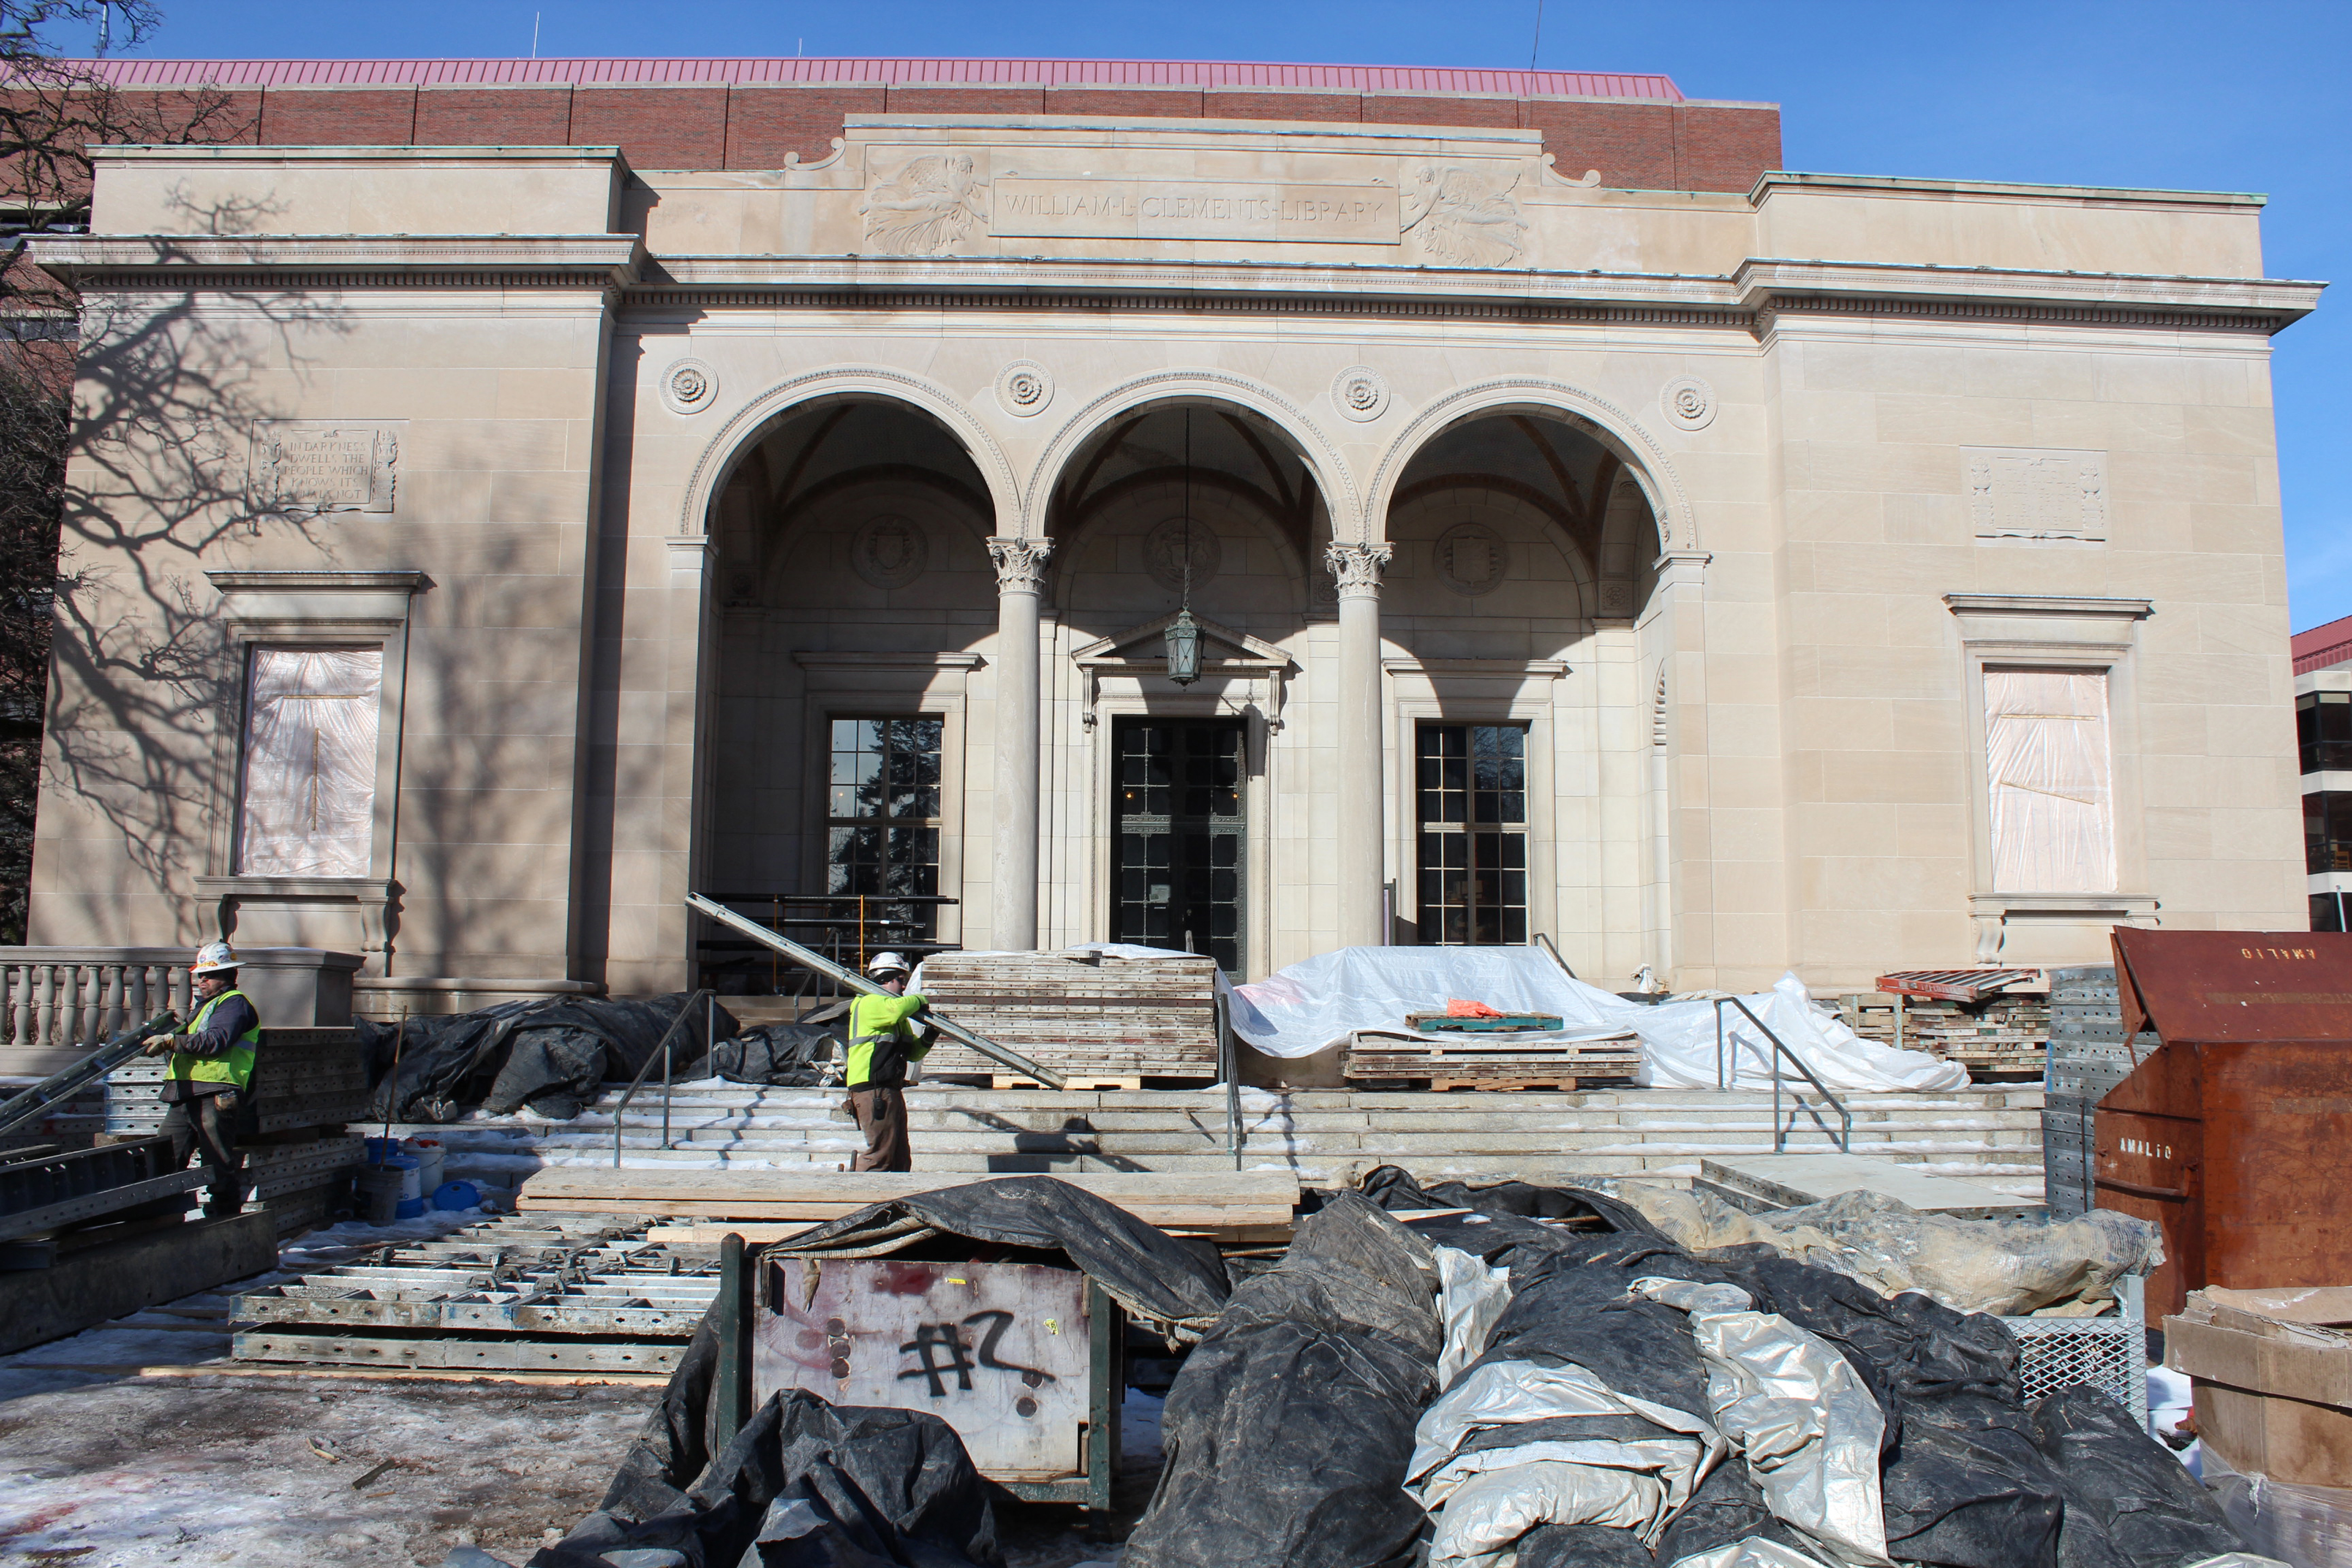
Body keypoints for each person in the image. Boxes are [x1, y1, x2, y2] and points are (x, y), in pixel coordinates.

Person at [143, 940, 262, 1220]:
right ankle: (165, 1220)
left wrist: (174, 1041)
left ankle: (225, 1223)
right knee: (165, 1159)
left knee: (217, 1163)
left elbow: (217, 1040)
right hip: (185, 1093)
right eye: (200, 975)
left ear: (228, 976)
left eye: (209, 975)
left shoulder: (234, 1004)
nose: (202, 980)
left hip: (216, 1093)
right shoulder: (206, 1007)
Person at [843, 952, 936, 1172]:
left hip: (889, 1089)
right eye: (901, 980)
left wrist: (928, 1038)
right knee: (880, 1155)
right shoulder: (870, 1002)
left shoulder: (894, 1016)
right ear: (887, 978)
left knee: (899, 1155)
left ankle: (896, 1199)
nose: (903, 987)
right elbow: (897, 1010)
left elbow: (912, 1053)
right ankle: (861, 1198)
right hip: (872, 1090)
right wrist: (920, 999)